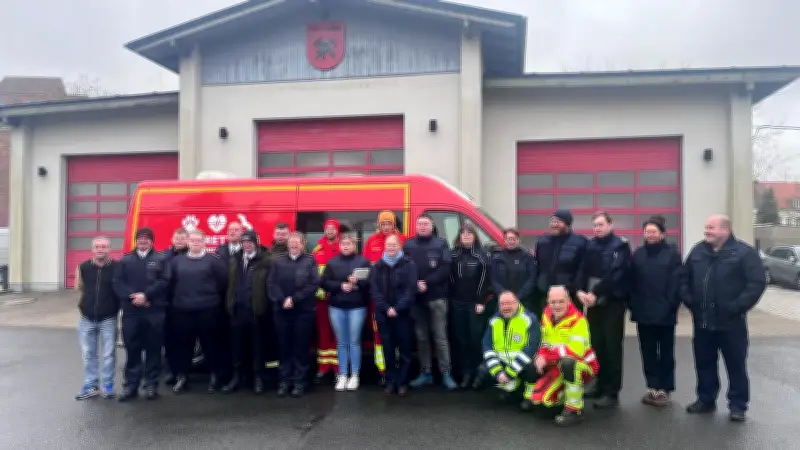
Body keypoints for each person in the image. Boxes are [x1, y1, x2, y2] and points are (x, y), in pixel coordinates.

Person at [681, 214, 766, 422]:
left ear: (725, 231)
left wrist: (737, 307)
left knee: (735, 365)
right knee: (704, 363)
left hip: (731, 323)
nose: (706, 231)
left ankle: (738, 405)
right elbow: (683, 278)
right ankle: (705, 400)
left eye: (711, 228)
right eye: (706, 227)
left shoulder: (744, 253)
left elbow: (756, 283)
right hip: (702, 321)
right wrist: (690, 300)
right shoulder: (698, 251)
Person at [575, 212, 631, 409]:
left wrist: (595, 293)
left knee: (612, 347)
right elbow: (583, 269)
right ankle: (598, 384)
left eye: (600, 224)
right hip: (593, 303)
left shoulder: (620, 246)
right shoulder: (590, 245)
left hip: (612, 303)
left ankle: (611, 392)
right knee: (596, 344)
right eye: (594, 225)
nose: (597, 228)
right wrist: (580, 290)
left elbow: (615, 274)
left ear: (610, 224)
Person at [628, 215, 682, 407]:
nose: (650, 235)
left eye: (654, 232)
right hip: (643, 313)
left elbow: (677, 284)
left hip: (665, 313)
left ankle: (665, 389)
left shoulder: (672, 254)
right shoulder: (638, 254)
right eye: (647, 231)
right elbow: (631, 282)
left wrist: (671, 305)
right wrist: (632, 305)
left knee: (666, 353)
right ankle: (652, 387)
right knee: (648, 351)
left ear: (662, 234)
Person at [113, 227, 170, 401]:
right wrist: (133, 297)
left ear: (152, 241)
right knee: (133, 350)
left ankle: (151, 385)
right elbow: (117, 282)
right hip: (132, 313)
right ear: (135, 240)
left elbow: (164, 281)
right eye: (140, 238)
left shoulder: (161, 259)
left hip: (154, 312)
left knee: (154, 350)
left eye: (146, 238)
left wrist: (146, 295)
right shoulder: (125, 260)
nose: (143, 241)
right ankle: (130, 386)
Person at [169, 230, 229, 394]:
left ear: (204, 242)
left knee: (211, 345)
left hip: (208, 310)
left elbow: (223, 281)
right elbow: (171, 283)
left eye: (199, 240)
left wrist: (208, 295)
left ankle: (215, 377)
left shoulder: (213, 261)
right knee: (183, 346)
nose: (195, 243)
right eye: (192, 240)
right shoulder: (177, 261)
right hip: (183, 310)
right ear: (187, 242)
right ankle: (182, 377)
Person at [532, 286, 599, 427]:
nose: (557, 305)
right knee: (542, 403)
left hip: (583, 366)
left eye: (561, 301)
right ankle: (562, 397)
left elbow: (576, 351)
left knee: (569, 363)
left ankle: (574, 410)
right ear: (547, 302)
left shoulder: (578, 320)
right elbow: (544, 341)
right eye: (553, 302)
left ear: (568, 301)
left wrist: (548, 358)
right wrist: (541, 356)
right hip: (558, 363)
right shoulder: (546, 314)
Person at [405, 213, 456, 390]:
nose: (423, 226)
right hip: (417, 300)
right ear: (416, 226)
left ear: (432, 226)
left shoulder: (440, 244)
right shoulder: (409, 245)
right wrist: (415, 284)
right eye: (420, 224)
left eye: (426, 224)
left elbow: (446, 268)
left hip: (437, 297)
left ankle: (446, 373)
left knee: (440, 337)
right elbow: (403, 268)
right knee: (421, 337)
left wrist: (427, 282)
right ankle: (425, 372)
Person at [222, 230, 273, 395]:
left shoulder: (265, 261)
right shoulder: (234, 260)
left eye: (249, 241)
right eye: (244, 242)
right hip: (237, 310)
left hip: (256, 311)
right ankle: (237, 377)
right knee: (237, 347)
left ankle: (258, 378)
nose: (246, 244)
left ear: (255, 242)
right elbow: (229, 284)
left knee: (257, 346)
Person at [269, 232, 320, 398]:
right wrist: (283, 300)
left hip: (302, 311)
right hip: (282, 311)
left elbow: (313, 284)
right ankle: (284, 380)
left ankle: (300, 382)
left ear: (303, 244)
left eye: (297, 242)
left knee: (300, 347)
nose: (294, 245)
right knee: (284, 347)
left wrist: (294, 299)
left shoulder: (309, 260)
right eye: (291, 242)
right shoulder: (279, 261)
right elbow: (272, 284)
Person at [321, 233, 371, 391]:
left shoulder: (363, 261)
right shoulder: (332, 262)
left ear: (354, 245)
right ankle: (343, 375)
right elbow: (323, 282)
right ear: (339, 246)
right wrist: (340, 286)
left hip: (357, 307)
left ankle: (355, 375)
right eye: (343, 244)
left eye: (349, 244)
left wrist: (359, 282)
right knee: (341, 342)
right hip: (337, 307)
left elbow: (370, 283)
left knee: (354, 341)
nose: (346, 246)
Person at [362, 210, 406, 385]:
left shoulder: (402, 239)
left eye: (389, 223)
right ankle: (383, 371)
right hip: (378, 300)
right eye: (383, 224)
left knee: (399, 335)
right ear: (379, 225)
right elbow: (365, 268)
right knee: (380, 336)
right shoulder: (371, 241)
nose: (386, 227)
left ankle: (398, 370)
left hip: (398, 298)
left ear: (394, 224)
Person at [370, 234, 417, 396]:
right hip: (384, 315)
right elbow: (374, 290)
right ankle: (390, 381)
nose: (390, 247)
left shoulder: (409, 264)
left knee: (405, 350)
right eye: (388, 245)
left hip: (403, 314)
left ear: (400, 246)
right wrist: (386, 308)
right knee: (388, 350)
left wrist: (396, 308)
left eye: (393, 245)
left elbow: (411, 291)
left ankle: (403, 383)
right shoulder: (377, 266)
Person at [74, 237, 120, 400]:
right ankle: (91, 385)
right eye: (97, 247)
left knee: (108, 354)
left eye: (104, 247)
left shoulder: (117, 267)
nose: (101, 249)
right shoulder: (83, 267)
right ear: (92, 249)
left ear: (109, 249)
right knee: (88, 353)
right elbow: (79, 287)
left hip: (108, 318)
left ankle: (107, 385)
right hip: (86, 318)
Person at [481, 291, 541, 410]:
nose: (506, 307)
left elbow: (531, 348)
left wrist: (509, 372)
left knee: (533, 366)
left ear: (517, 303)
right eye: (502, 304)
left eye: (509, 303)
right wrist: (498, 372)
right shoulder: (494, 320)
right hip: (503, 363)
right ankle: (511, 387)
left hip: (524, 363)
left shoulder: (530, 318)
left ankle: (529, 395)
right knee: (482, 370)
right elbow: (487, 346)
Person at [449, 223, 491, 389]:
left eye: (469, 233)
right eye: (463, 233)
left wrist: (480, 301)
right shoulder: (452, 255)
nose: (466, 235)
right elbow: (449, 278)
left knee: (475, 339)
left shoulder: (482, 255)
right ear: (459, 236)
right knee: (461, 339)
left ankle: (478, 374)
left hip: (474, 304)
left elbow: (485, 280)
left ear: (475, 236)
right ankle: (465, 374)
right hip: (457, 303)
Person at [532, 209, 588, 313]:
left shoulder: (580, 242)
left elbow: (583, 269)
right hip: (545, 294)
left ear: (568, 224)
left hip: (570, 296)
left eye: (558, 222)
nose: (554, 224)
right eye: (552, 221)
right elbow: (538, 266)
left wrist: (577, 288)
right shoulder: (542, 241)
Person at [312, 218, 341, 384]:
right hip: (321, 299)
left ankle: (337, 367)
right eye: (327, 228)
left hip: (338, 298)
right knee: (323, 333)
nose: (329, 231)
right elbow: (313, 274)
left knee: (338, 333)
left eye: (332, 228)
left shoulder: (343, 248)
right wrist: (318, 291)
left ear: (337, 231)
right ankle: (323, 367)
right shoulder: (318, 249)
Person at [160, 227, 188, 386]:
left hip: (185, 303)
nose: (179, 240)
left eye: (183, 238)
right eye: (177, 238)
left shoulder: (192, 255)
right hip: (168, 303)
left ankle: (182, 373)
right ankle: (171, 371)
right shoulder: (163, 256)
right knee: (169, 341)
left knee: (184, 340)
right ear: (172, 239)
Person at [490, 228, 535, 312]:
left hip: (523, 301)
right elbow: (494, 280)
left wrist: (518, 297)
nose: (511, 241)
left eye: (513, 239)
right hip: (503, 302)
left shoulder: (527, 258)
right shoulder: (497, 258)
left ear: (518, 240)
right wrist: (506, 297)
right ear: (504, 240)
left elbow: (531, 279)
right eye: (508, 239)